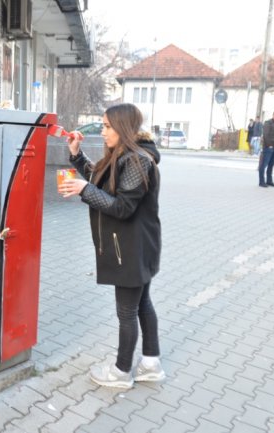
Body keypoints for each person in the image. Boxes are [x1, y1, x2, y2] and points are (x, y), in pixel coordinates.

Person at [59, 103, 165, 389]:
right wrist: (76, 156)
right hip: (138, 245)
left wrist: (84, 190)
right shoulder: (126, 156)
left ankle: (121, 372)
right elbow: (101, 179)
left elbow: (121, 208)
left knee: (127, 311)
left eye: (107, 126)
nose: (103, 131)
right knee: (142, 303)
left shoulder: (137, 160)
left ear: (122, 127)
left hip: (131, 249)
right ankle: (151, 363)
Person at [258, 111, 274, 187]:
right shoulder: (268, 123)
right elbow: (266, 135)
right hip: (269, 147)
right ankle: (261, 182)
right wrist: (269, 145)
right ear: (273, 115)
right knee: (264, 165)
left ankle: (269, 181)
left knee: (271, 165)